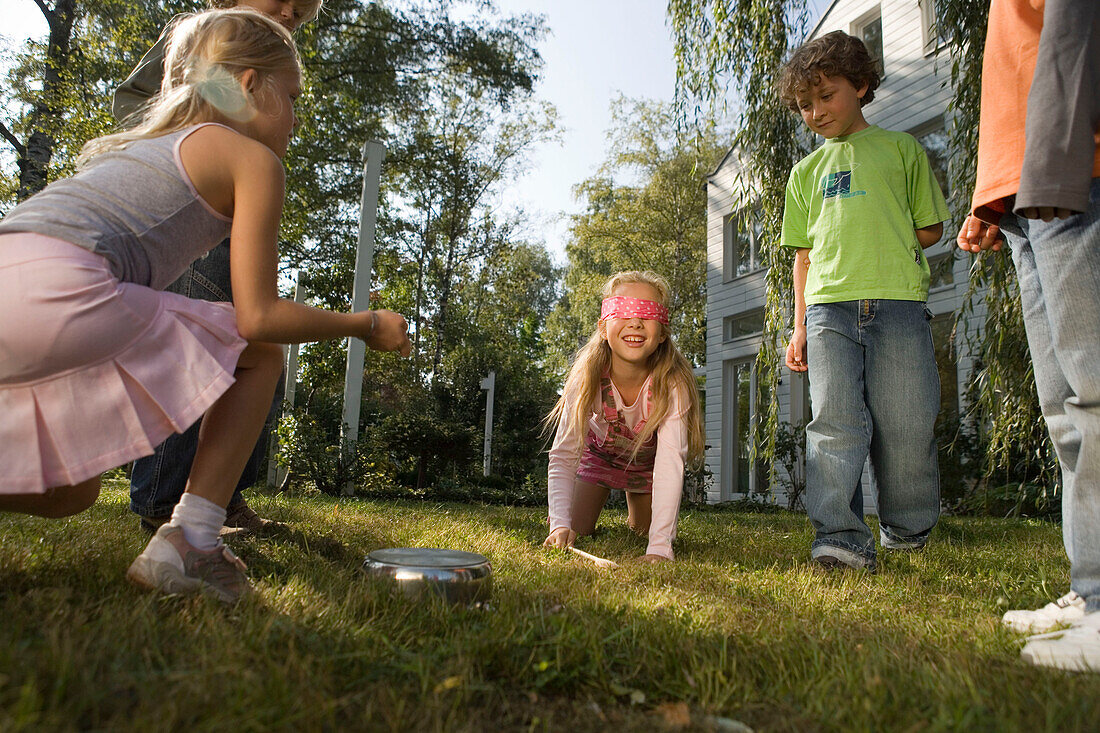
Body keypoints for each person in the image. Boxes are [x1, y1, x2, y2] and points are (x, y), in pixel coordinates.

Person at [0, 9, 412, 603]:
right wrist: (366, 323)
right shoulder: (253, 161)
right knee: (261, 353)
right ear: (248, 85)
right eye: (291, 98)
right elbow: (259, 318)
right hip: (62, 289)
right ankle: (192, 539)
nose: (296, 119)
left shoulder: (148, 147)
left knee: (70, 490)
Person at [113, 0, 323, 536]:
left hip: (223, 218)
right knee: (200, 351)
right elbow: (141, 104)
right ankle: (163, 497)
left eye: (302, 11)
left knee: (253, 354)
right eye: (284, 0)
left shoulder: (262, 67)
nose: (289, 12)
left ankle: (224, 496)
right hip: (184, 216)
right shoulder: (205, 41)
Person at [956, 0, 1099, 672]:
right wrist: (995, 193)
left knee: (1096, 396)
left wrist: (1050, 159)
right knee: (1066, 409)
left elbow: (1078, 35)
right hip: (1027, 191)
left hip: (1075, 171)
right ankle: (1091, 587)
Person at [778, 31, 950, 572]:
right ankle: (840, 538)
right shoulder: (803, 174)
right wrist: (799, 326)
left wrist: (880, 232)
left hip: (897, 304)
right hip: (829, 310)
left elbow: (930, 228)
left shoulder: (902, 150)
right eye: (805, 104)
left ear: (861, 85)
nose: (816, 111)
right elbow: (802, 257)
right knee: (834, 423)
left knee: (906, 423)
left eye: (826, 95)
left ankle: (907, 531)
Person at [543, 271, 704, 563]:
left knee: (643, 532)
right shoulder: (587, 378)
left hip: (646, 465)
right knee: (577, 530)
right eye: (623, 310)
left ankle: (642, 517)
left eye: (646, 312)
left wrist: (659, 547)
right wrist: (559, 524)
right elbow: (564, 455)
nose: (635, 321)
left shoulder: (671, 383)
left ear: (663, 332)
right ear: (603, 328)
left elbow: (670, 463)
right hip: (600, 459)